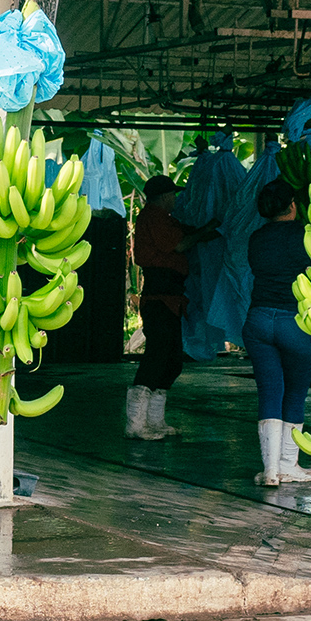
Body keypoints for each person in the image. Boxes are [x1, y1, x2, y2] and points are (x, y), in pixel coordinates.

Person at [242, 179, 311, 485]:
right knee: (295, 393)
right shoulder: (307, 235)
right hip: (296, 321)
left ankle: (271, 470)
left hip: (259, 320)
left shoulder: (257, 238)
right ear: (293, 205)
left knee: (270, 391)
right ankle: (289, 464)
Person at [128, 174, 217, 440]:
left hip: (171, 296)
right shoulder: (154, 217)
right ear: (165, 197)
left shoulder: (163, 219)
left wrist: (203, 231)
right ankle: (135, 423)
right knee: (157, 356)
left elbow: (183, 232)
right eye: (174, 195)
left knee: (172, 361)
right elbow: (179, 243)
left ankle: (155, 421)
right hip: (159, 296)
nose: (176, 200)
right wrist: (204, 231)